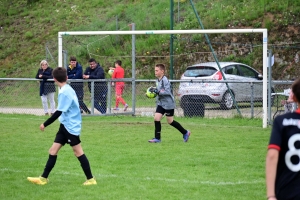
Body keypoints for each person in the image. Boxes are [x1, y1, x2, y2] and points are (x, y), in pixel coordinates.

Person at [27, 67, 97, 186]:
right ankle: (43, 178)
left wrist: (45, 123)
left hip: (71, 127)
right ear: (66, 77)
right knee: (53, 151)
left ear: (54, 79)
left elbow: (59, 111)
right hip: (64, 125)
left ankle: (91, 179)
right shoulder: (66, 88)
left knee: (78, 152)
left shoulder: (65, 92)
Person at [266, 78, 300, 200]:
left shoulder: (282, 121)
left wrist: (270, 195)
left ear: (294, 97)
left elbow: (272, 156)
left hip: (287, 190)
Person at [148, 63, 191, 143]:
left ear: (162, 71)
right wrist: (151, 93)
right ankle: (157, 138)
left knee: (170, 121)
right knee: (156, 119)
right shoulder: (157, 80)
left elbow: (167, 91)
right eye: (155, 70)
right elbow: (158, 90)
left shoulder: (165, 80)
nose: (155, 72)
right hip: (161, 103)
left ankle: (185, 132)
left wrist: (158, 91)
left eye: (157, 70)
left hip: (168, 104)